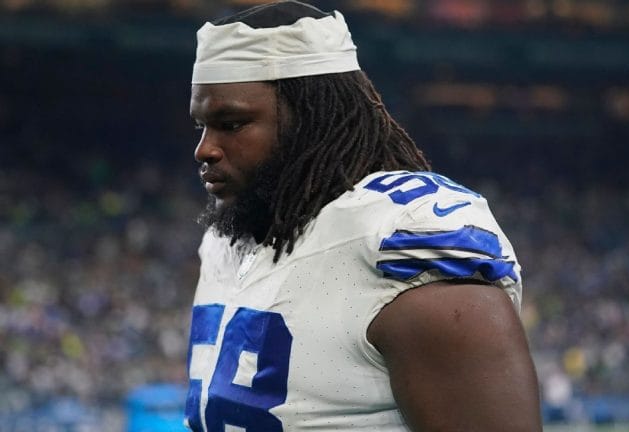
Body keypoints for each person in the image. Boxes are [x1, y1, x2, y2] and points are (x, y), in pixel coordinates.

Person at [185, 1, 541, 431]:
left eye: (233, 123)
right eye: (202, 126)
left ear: (312, 119)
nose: (205, 149)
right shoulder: (230, 244)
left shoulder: (402, 239)